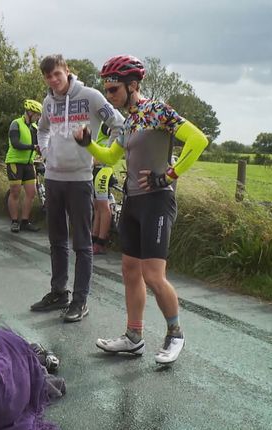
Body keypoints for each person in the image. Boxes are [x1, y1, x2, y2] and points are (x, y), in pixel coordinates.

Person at [74, 55, 208, 364]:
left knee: (152, 274)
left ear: (133, 85)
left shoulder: (157, 111)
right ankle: (134, 337)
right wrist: (87, 144)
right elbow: (109, 157)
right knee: (130, 270)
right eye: (106, 90)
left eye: (113, 90)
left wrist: (169, 176)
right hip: (132, 201)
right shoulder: (129, 120)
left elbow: (198, 140)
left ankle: (175, 333)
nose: (109, 96)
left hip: (157, 201)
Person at [29, 55, 125, 322]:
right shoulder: (48, 102)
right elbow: (42, 130)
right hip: (54, 178)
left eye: (57, 74)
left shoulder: (91, 96)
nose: (53, 80)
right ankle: (59, 292)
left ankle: (80, 301)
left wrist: (101, 154)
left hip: (80, 180)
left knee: (82, 244)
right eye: (48, 77)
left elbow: (120, 125)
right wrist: (47, 152)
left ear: (67, 71)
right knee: (56, 241)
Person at [6, 99, 43, 233]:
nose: (38, 117)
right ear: (30, 112)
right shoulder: (16, 124)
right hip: (15, 162)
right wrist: (33, 147)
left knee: (31, 193)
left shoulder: (35, 128)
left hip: (29, 163)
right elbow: (15, 143)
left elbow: (40, 144)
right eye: (37, 114)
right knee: (15, 192)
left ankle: (25, 221)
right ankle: (15, 221)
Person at [91, 123, 116, 255]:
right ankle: (96, 241)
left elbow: (115, 131)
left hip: (103, 170)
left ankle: (98, 241)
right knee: (99, 208)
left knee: (102, 208)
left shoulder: (105, 123)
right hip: (99, 169)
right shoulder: (103, 123)